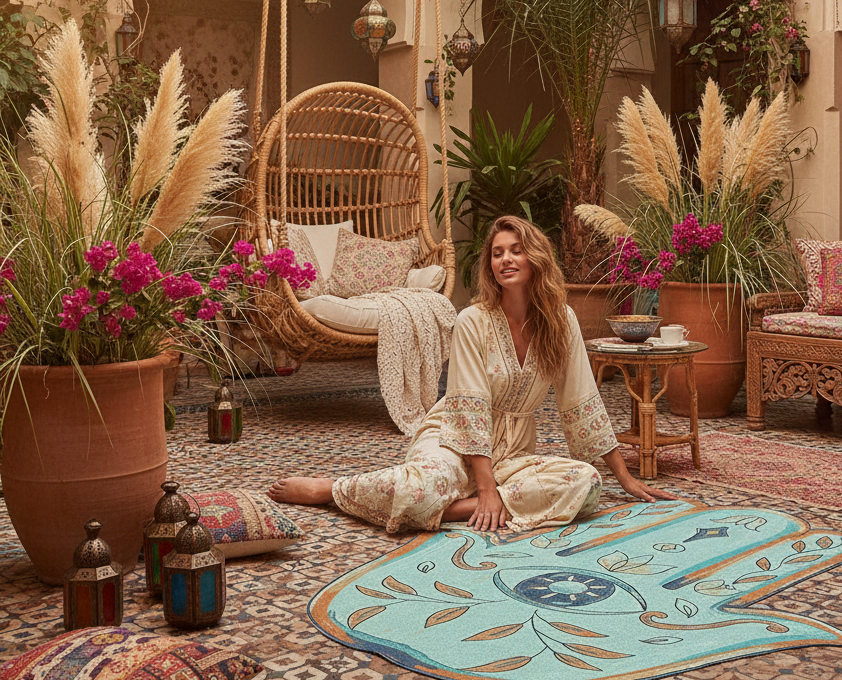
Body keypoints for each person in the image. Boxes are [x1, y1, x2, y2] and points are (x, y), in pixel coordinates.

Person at [268, 215, 677, 532]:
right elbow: (470, 409)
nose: (506, 260)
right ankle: (335, 490)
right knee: (420, 487)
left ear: (535, 258)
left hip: (513, 452)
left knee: (585, 484)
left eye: (516, 250)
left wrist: (623, 477)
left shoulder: (562, 320)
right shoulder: (472, 320)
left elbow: (581, 401)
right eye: (497, 253)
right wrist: (485, 489)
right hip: (453, 438)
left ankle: (450, 511)